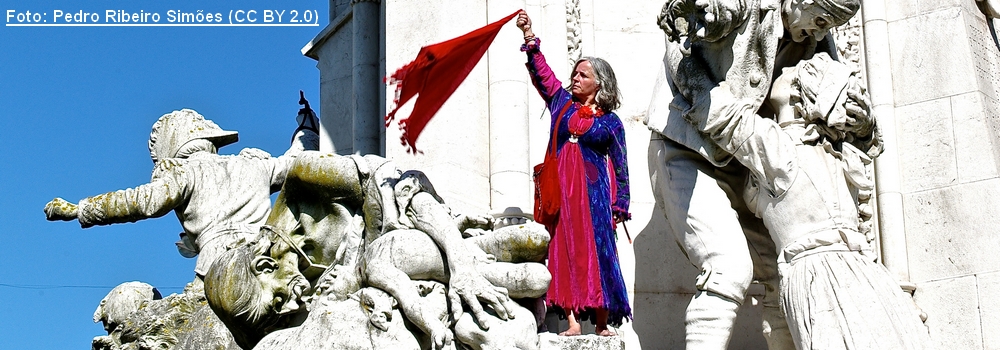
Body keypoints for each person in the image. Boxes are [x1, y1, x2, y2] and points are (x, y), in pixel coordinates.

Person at [645, 0, 861, 348]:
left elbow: (834, 97)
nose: (820, 31)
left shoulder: (811, 34)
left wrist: (859, 123)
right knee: (727, 266)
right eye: (820, 19)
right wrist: (705, 16)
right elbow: (689, 36)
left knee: (784, 275)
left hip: (749, 166)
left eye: (828, 26)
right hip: (687, 151)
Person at [683, 51, 931, 349]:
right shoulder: (838, 155)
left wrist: (686, 57)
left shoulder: (782, 149)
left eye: (793, 72)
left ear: (801, 97)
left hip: (821, 279)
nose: (785, 66)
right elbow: (871, 142)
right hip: (868, 277)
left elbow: (718, 113)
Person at [204, 151, 519, 349]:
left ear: (264, 266)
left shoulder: (304, 177)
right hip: (398, 283)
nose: (288, 307)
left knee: (525, 248)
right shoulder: (293, 297)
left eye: (277, 299)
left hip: (421, 233)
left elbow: (399, 187)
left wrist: (462, 265)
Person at [43, 106, 318, 279]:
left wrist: (82, 209)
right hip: (270, 257)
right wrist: (306, 126)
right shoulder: (253, 164)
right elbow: (297, 159)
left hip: (219, 264)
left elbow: (139, 202)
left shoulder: (183, 172)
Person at [516, 10, 631, 337]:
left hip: (595, 196)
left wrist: (620, 203)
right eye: (575, 74)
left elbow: (621, 167)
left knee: (600, 251)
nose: (575, 78)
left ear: (599, 83)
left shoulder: (611, 123)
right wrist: (529, 36)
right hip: (562, 193)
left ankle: (602, 323)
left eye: (583, 75)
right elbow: (543, 75)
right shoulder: (561, 104)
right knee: (563, 251)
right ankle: (570, 322)